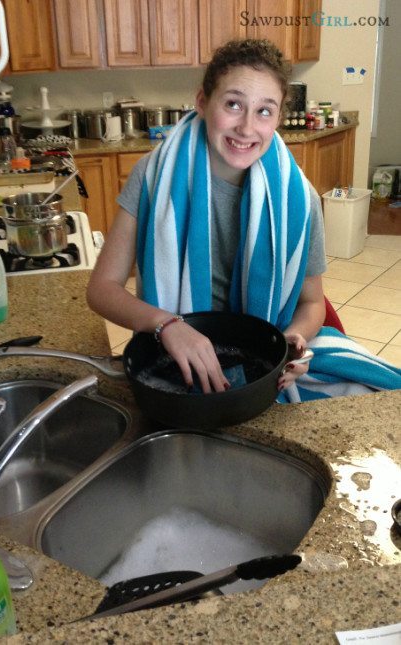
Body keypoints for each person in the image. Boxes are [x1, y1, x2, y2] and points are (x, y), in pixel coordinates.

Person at [87, 39, 401, 401]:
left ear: (279, 117)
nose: (247, 127)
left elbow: (312, 303)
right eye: (233, 104)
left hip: (261, 360)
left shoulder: (299, 198)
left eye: (265, 111)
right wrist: (167, 324)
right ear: (203, 102)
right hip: (173, 352)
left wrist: (293, 340)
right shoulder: (154, 177)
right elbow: (102, 289)